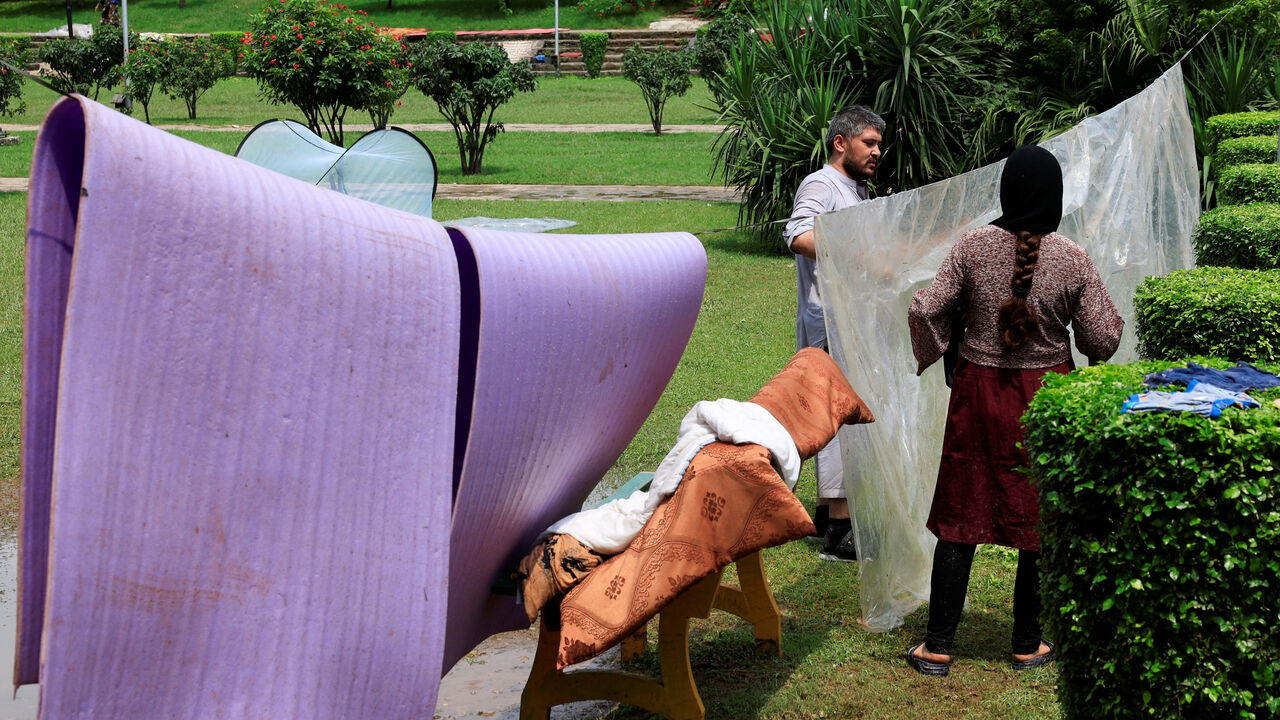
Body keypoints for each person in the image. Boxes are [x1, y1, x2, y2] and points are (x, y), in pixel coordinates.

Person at [904, 145, 1123, 676]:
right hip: (1046, 400)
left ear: (1006, 191)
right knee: (1039, 520)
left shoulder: (973, 247)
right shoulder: (1072, 258)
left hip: (977, 399)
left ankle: (937, 647)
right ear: (1054, 197)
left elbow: (924, 308)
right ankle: (1027, 643)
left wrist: (947, 355)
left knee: (960, 514)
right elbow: (1102, 337)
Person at [783, 104, 884, 562]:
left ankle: (825, 513)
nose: (877, 151)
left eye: (879, 144)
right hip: (830, 325)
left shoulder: (855, 190)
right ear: (841, 143)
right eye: (869, 142)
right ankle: (841, 530)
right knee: (840, 416)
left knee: (834, 413)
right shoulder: (822, 184)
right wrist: (852, 252)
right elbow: (798, 234)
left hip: (848, 322)